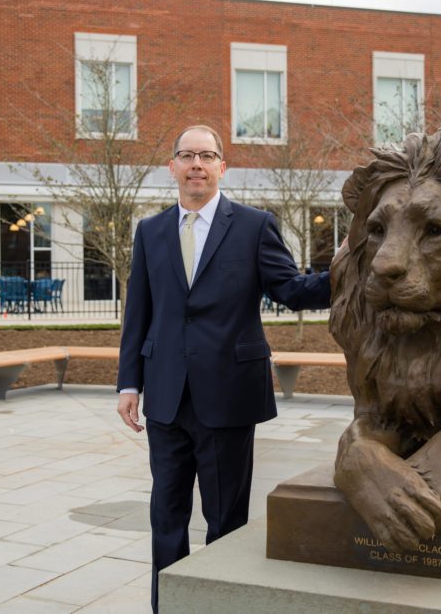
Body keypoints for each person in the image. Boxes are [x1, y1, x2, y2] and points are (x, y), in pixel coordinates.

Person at [116, 125, 331, 612]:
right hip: (166, 396)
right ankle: (168, 606)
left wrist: (346, 270)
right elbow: (140, 313)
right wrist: (130, 382)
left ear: (221, 168)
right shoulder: (150, 232)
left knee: (225, 519)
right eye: (187, 156)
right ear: (172, 167)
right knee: (165, 515)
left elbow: (291, 290)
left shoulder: (255, 225)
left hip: (229, 396)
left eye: (207, 156)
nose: (196, 164)